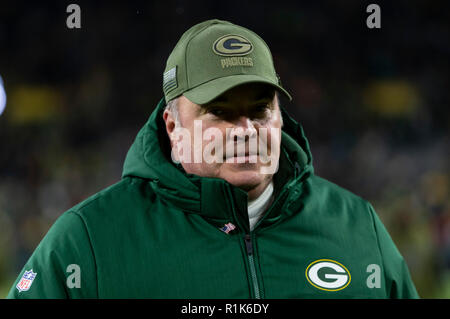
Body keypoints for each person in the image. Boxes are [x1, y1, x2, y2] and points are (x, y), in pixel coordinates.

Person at [7, 19, 418, 299]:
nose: (245, 129)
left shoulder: (357, 227)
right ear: (172, 126)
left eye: (259, 109)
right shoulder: (88, 241)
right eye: (220, 112)